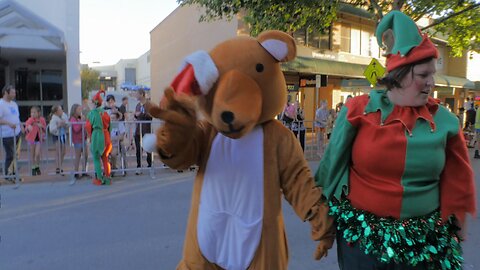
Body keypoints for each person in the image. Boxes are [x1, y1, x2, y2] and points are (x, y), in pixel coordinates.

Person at [315, 11, 476, 270]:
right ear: (399, 74)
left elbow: (458, 179)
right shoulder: (358, 110)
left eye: (432, 75)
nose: (431, 83)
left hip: (425, 244)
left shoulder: (445, 121)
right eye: (423, 75)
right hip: (362, 242)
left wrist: (458, 226)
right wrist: (323, 221)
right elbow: (331, 167)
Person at [86, 90, 112, 185]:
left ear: (94, 103)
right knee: (105, 158)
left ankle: (99, 179)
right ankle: (107, 178)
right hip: (106, 136)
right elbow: (110, 126)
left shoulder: (92, 113)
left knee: (96, 159)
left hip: (97, 136)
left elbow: (88, 127)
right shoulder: (106, 113)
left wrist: (90, 136)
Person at [0, 85, 23, 180]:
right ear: (6, 92)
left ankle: (13, 172)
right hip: (7, 134)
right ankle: (7, 173)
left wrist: (21, 126)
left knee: (16, 155)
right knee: (10, 154)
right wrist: (8, 123)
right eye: (12, 92)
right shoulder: (1, 104)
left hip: (17, 133)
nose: (14, 94)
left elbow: (17, 117)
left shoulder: (14, 104)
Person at [134, 89, 152, 175]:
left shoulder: (148, 105)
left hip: (146, 130)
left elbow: (150, 116)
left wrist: (141, 114)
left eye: (137, 94)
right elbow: (136, 115)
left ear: (141, 94)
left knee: (148, 148)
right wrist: (135, 115)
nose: (136, 96)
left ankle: (150, 164)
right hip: (138, 130)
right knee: (138, 149)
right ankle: (139, 166)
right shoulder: (137, 105)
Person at [25, 106, 46, 176]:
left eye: (34, 112)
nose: (32, 114)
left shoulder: (42, 119)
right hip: (31, 138)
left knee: (37, 154)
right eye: (31, 112)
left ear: (38, 113)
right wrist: (28, 126)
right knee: (32, 154)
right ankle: (33, 167)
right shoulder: (30, 119)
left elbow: (45, 128)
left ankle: (37, 165)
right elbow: (26, 125)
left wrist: (41, 126)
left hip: (39, 139)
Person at [48, 104, 69, 175]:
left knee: (63, 151)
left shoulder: (64, 116)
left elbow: (68, 124)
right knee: (58, 151)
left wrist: (65, 124)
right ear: (56, 112)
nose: (61, 111)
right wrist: (58, 126)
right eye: (59, 110)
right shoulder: (53, 119)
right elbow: (51, 129)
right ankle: (58, 167)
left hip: (63, 136)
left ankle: (60, 165)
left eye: (61, 109)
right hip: (57, 136)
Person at [70, 104, 89, 179]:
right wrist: (82, 122)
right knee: (78, 156)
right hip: (77, 140)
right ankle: (76, 172)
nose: (80, 111)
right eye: (79, 110)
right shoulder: (72, 119)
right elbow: (76, 129)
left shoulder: (79, 118)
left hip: (83, 139)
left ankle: (84, 170)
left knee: (86, 155)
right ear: (74, 110)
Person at [109, 111, 125, 176]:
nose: (112, 120)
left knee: (113, 154)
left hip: (116, 145)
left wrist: (112, 138)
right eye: (111, 118)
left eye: (113, 118)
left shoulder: (120, 125)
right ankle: (107, 168)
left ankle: (113, 167)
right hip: (107, 144)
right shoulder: (108, 125)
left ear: (117, 119)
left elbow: (121, 136)